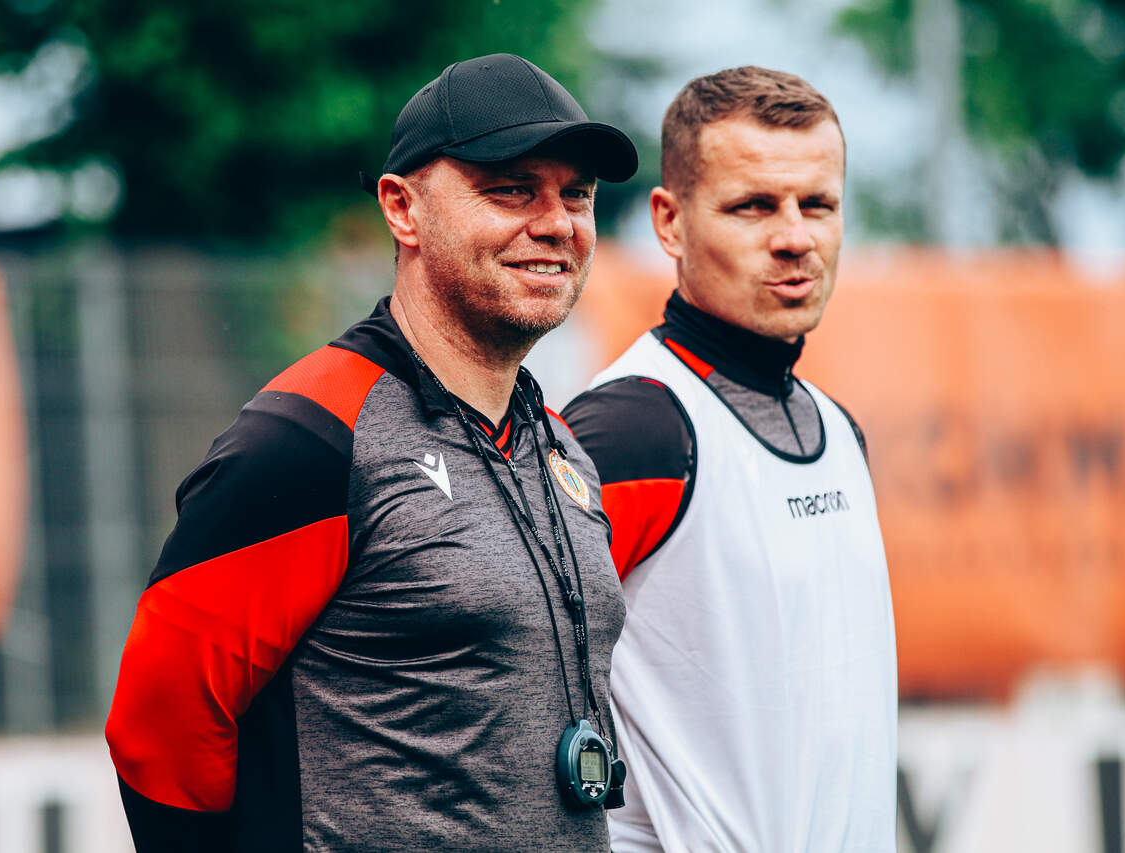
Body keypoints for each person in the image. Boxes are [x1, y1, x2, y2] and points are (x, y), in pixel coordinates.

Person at [105, 53, 638, 852]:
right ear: (402, 208)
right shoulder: (307, 438)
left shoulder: (561, 448)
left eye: (578, 194)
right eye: (512, 189)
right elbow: (156, 731)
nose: (557, 223)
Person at [561, 66, 896, 852]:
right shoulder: (628, 430)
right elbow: (511, 692)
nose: (795, 236)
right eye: (753, 206)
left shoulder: (838, 429)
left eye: (818, 204)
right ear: (670, 223)